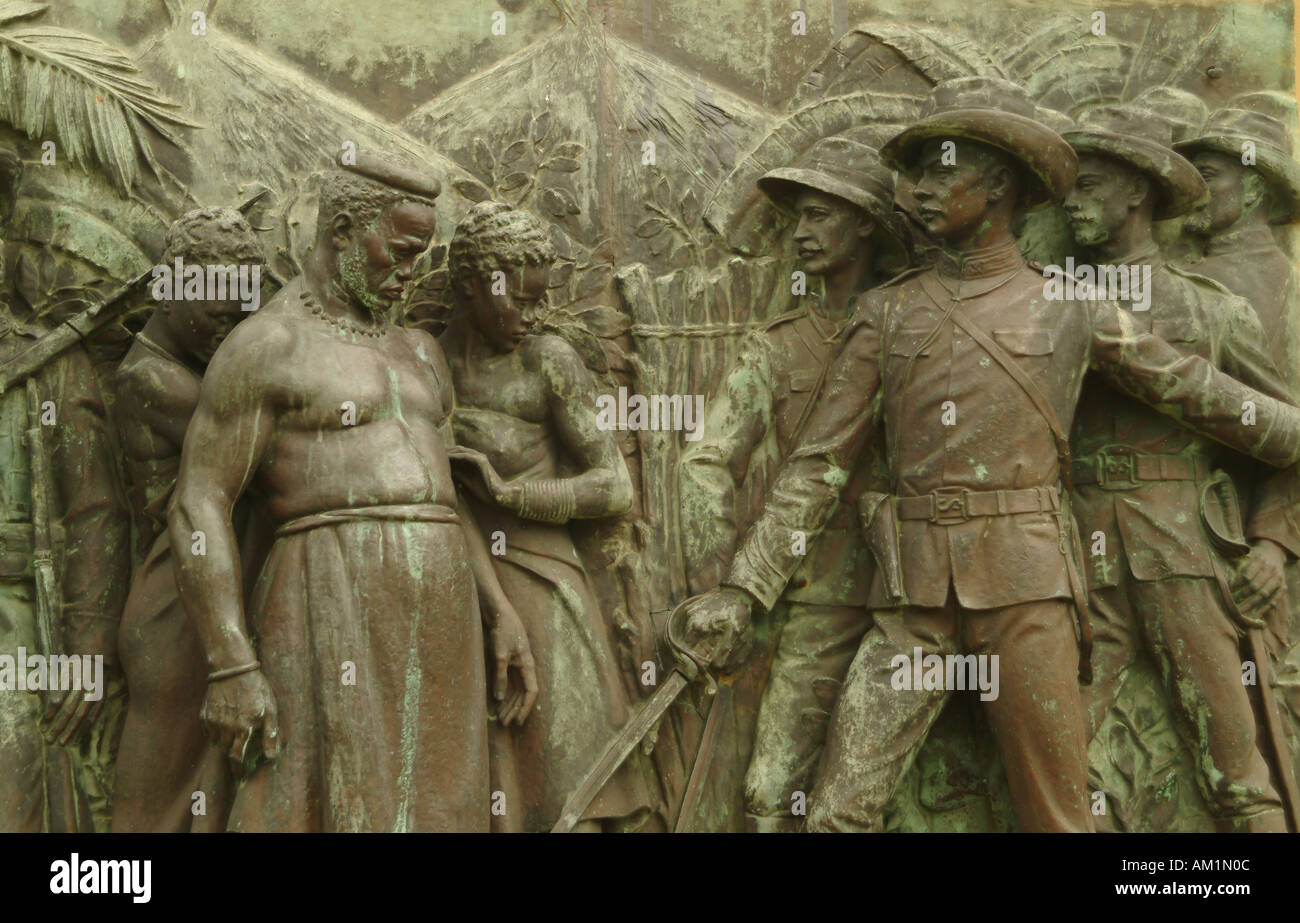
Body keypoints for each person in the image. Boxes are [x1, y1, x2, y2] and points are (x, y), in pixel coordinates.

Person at [680, 77, 1300, 833]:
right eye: (917, 174)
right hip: (913, 599)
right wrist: (744, 593)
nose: (921, 190)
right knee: (838, 810)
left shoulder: (1069, 306)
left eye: (943, 171)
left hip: (1027, 588)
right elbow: (816, 465)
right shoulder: (887, 310)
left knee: (1055, 814)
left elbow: (1195, 391)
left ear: (1001, 183)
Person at [168, 154, 536, 832]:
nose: (407, 273)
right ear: (341, 227)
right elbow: (199, 501)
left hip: (442, 613)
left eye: (421, 255)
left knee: (439, 810)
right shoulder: (267, 346)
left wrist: (498, 609)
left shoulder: (419, 350)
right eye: (397, 251)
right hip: (325, 599)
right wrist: (230, 664)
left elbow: (445, 499)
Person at [1062, 102, 1296, 831]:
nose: (1071, 202)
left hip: (1184, 548)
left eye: (1090, 185)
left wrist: (1275, 540)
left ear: (1139, 193)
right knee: (1060, 753)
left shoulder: (1215, 312)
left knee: (1233, 758)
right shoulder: (1041, 299)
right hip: (1072, 549)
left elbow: (1289, 434)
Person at [678, 133, 907, 831]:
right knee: (771, 791)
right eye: (795, 220)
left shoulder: (919, 323)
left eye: (819, 216)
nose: (801, 234)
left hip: (923, 593)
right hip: (818, 593)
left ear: (865, 222)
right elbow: (708, 462)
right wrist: (725, 583)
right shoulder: (776, 345)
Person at [443, 200, 660, 832]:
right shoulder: (427, 364)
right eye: (522, 300)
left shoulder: (548, 361)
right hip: (457, 590)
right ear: (473, 285)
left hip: (543, 587)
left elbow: (614, 486)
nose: (536, 315)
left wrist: (512, 496)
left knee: (569, 793)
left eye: (544, 300)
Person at [112, 206, 264, 832]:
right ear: (173, 289)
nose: (231, 330)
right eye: (220, 312)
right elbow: (263, 443)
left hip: (203, 583)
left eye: (242, 313)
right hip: (175, 599)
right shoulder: (152, 380)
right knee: (158, 793)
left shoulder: (193, 367)